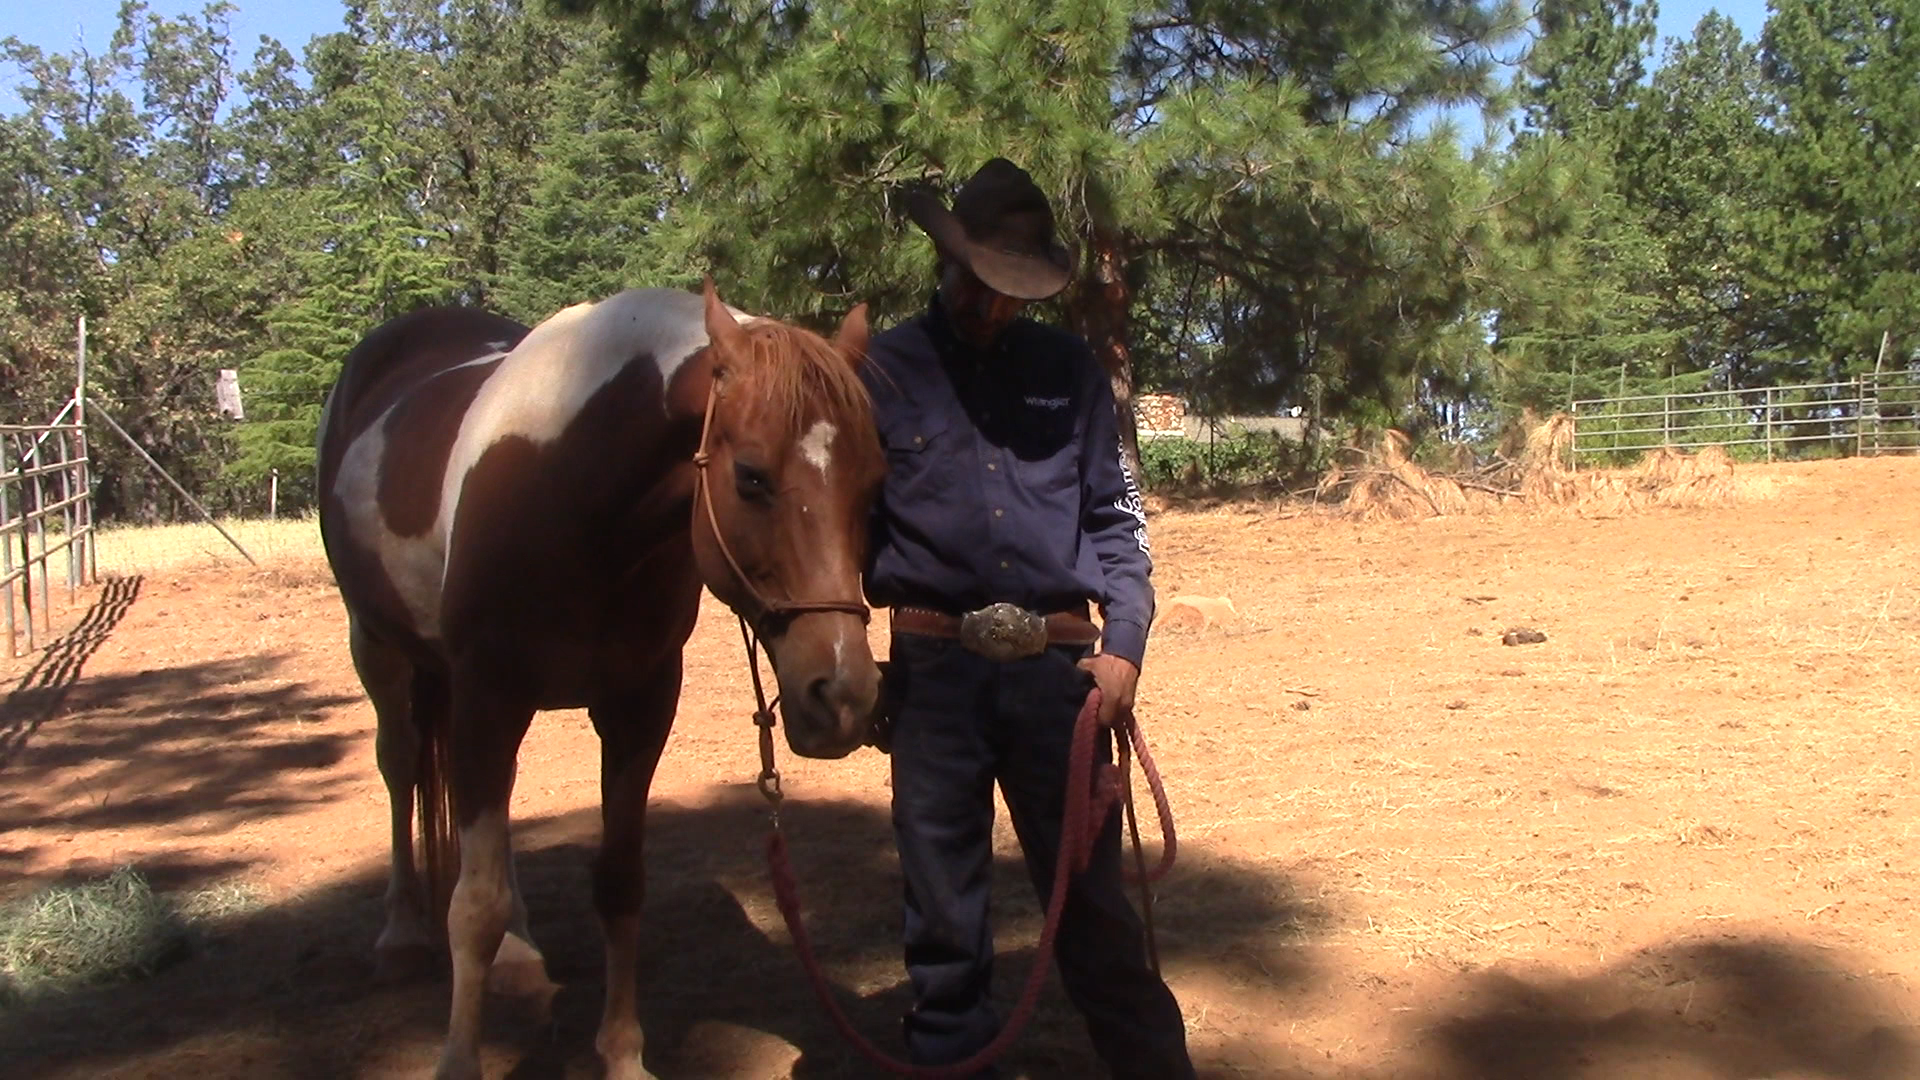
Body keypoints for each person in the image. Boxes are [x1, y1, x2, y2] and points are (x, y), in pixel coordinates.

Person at [859, 157, 1196, 1079]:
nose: (996, 307)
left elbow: (1120, 527)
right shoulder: (881, 370)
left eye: (1015, 293)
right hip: (932, 683)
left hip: (1061, 680)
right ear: (949, 262)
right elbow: (835, 529)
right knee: (943, 923)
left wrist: (1124, 645)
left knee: (1093, 911)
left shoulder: (1069, 370)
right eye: (983, 286)